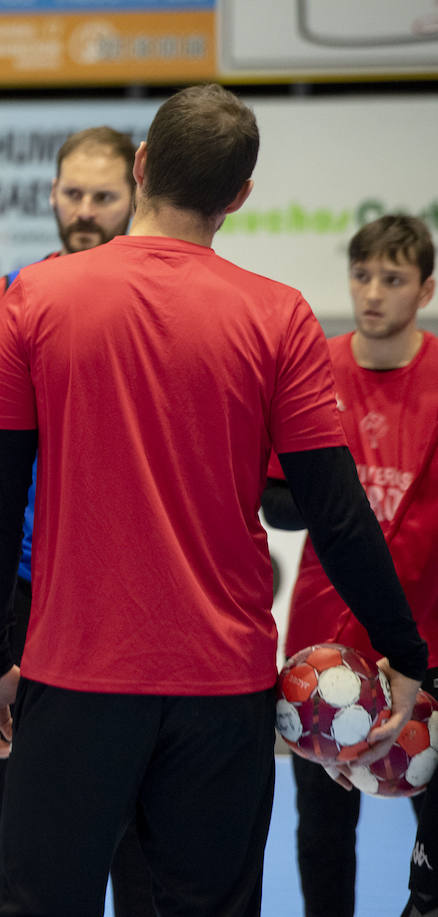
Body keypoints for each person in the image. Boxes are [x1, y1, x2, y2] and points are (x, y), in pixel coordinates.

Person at [0, 83, 428, 917]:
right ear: (240, 197)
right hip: (223, 686)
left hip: (76, 676)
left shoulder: (34, 299)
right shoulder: (279, 315)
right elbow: (337, 508)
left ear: (140, 167)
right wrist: (405, 651)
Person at [0, 125, 145, 917]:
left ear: (136, 196)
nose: (87, 212)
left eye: (104, 196)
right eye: (74, 194)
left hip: (127, 591)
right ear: (51, 194)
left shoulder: (159, 304)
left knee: (136, 801)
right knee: (1, 795)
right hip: (29, 586)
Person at [261, 214, 437, 917]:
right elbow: (277, 505)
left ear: (424, 290)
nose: (372, 292)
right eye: (361, 275)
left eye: (392, 279)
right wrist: (338, 503)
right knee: (323, 824)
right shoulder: (317, 369)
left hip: (425, 637)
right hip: (324, 641)